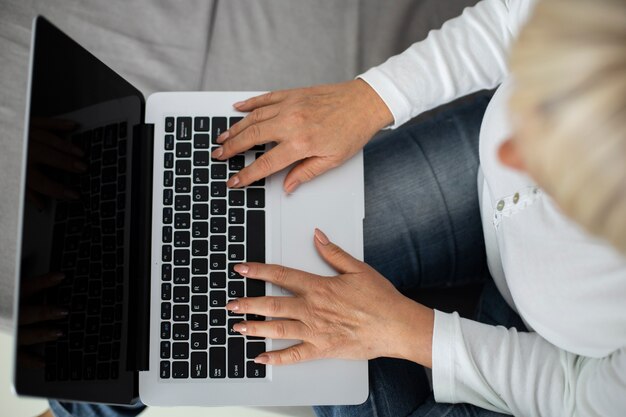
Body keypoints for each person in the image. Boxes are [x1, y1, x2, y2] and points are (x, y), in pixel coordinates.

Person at [48, 0, 626, 416]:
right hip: (476, 197)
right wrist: (370, 98)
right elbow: (516, 17)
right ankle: (81, 403)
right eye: (540, 102)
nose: (505, 145)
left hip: (560, 359)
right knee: (234, 249)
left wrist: (408, 331)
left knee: (285, 332)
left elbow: (579, 395)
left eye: (558, 167)